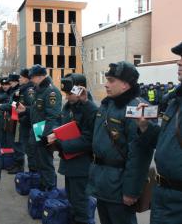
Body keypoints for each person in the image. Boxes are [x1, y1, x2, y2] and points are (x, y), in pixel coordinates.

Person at [85, 61, 153, 224]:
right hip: (102, 182)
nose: (106, 84)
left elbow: (139, 155)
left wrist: (131, 190)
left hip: (120, 185)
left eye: (111, 80)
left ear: (125, 85)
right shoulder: (108, 104)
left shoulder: (137, 108)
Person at [135, 42, 182, 224]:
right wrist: (145, 126)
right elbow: (165, 141)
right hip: (164, 196)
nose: (179, 63)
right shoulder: (175, 100)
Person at [47, 73, 98, 224]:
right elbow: (59, 120)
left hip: (81, 164)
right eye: (66, 94)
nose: (67, 97)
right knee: (72, 198)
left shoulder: (90, 109)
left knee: (80, 202)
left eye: (70, 94)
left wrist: (62, 143)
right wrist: (55, 133)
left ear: (80, 90)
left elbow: (89, 139)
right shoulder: (69, 105)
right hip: (69, 161)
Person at [17, 64, 62, 191]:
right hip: (37, 128)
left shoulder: (51, 92)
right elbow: (37, 110)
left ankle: (50, 189)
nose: (31, 80)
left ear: (40, 77)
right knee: (37, 160)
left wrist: (45, 136)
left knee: (45, 162)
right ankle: (43, 185)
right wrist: (26, 110)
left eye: (33, 77)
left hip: (43, 131)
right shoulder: (39, 90)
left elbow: (53, 117)